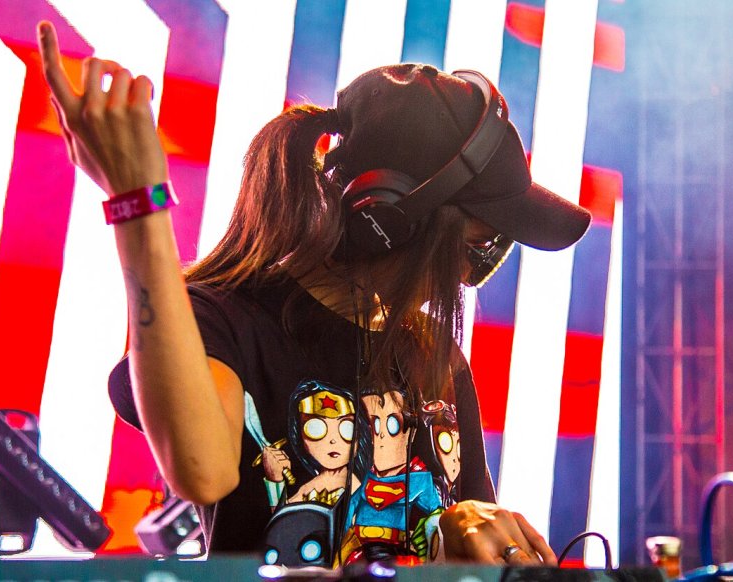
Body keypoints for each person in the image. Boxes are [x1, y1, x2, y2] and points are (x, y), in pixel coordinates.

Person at [37, 16, 590, 567]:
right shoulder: (228, 320)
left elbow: (469, 550)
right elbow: (202, 471)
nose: (472, 277)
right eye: (479, 247)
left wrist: (474, 532)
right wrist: (136, 203)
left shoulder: (435, 356)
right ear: (391, 222)